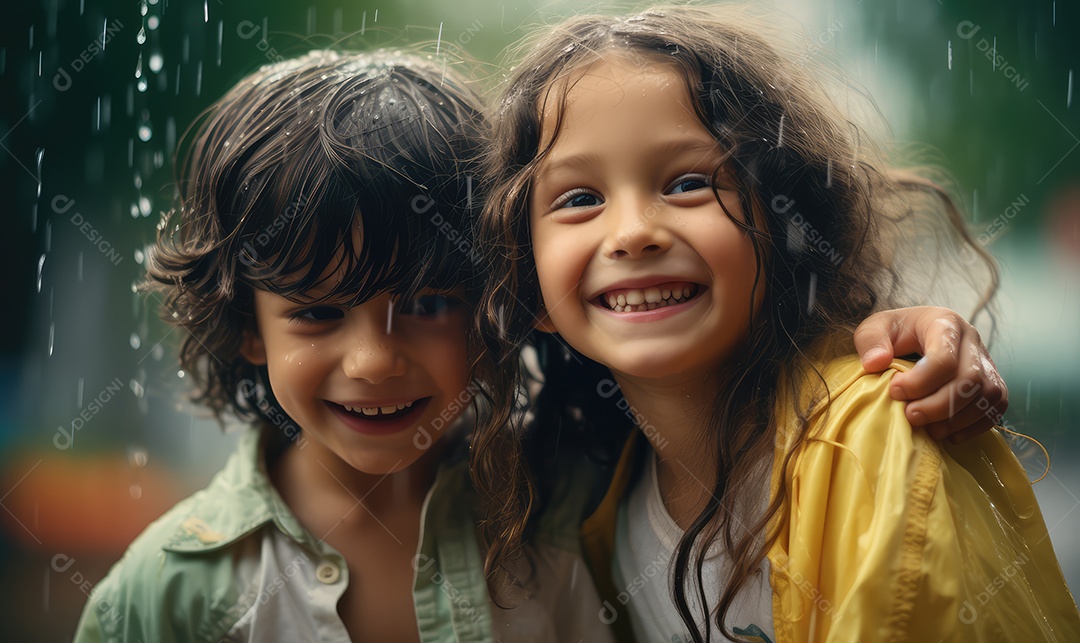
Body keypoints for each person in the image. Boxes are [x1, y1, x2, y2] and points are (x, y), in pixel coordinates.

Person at [472, 7, 1080, 642]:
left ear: (786, 230)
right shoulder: (590, 509)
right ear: (526, 283)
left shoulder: (875, 441)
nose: (631, 233)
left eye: (687, 183)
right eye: (579, 199)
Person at [71, 49, 613, 643]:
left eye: (427, 305)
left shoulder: (578, 506)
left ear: (493, 302)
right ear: (248, 327)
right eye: (317, 313)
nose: (373, 362)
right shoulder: (164, 594)